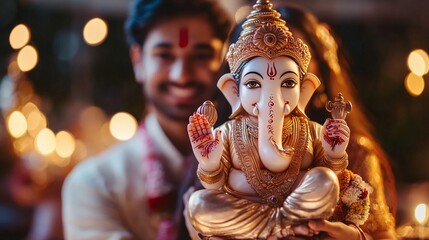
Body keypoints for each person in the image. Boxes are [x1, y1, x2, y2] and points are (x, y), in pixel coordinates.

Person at [61, 0, 232, 239]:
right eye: (164, 55)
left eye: (201, 56)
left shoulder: (248, 170)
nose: (181, 74)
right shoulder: (95, 184)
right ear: (138, 61)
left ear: (224, 63)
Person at [276, 4, 398, 239]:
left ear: (317, 73)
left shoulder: (353, 151)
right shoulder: (224, 145)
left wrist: (352, 236)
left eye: (294, 58)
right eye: (263, 62)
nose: (278, 73)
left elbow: (383, 235)